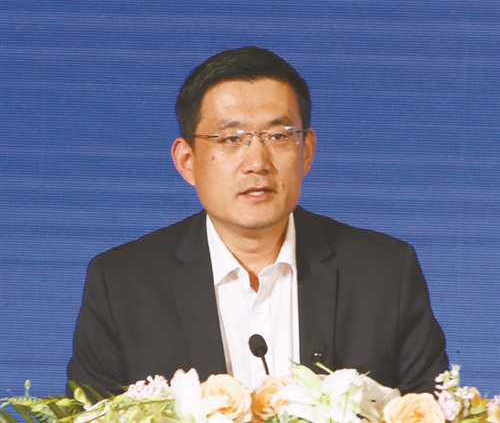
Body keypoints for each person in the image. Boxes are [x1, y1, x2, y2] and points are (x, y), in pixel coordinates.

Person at [67, 46, 448, 398]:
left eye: (278, 136)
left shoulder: (384, 272)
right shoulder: (123, 284)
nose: (257, 163)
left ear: (306, 151)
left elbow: (433, 407)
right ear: (187, 161)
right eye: (231, 139)